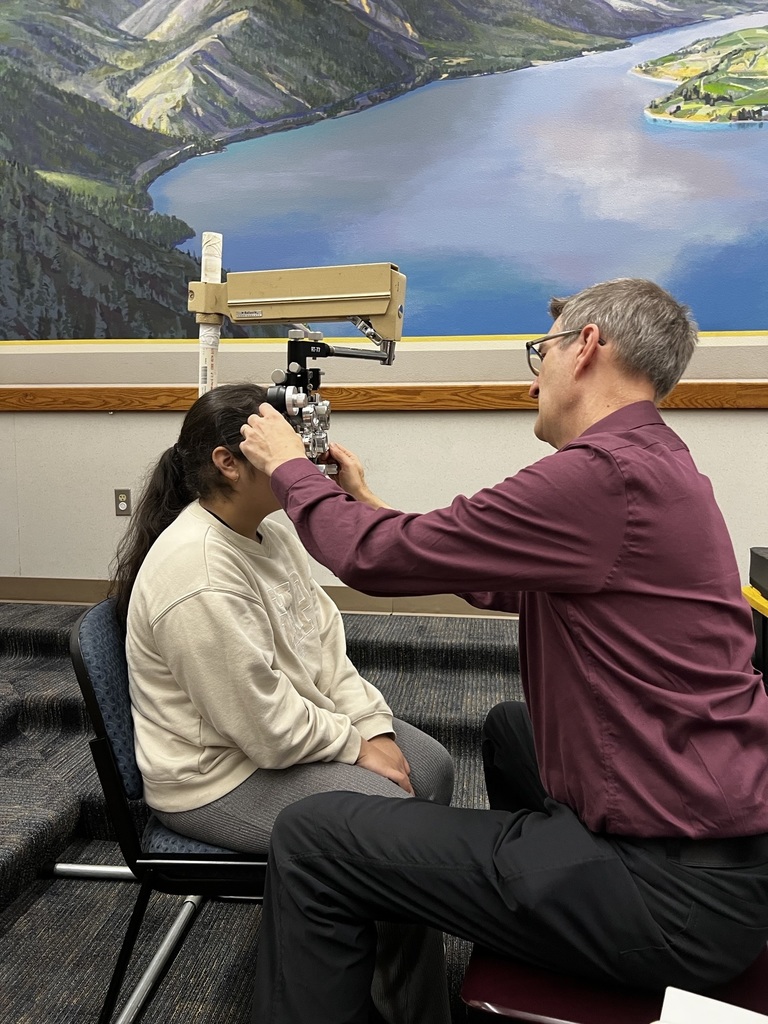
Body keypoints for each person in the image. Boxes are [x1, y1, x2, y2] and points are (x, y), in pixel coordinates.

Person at [239, 278, 768, 1024]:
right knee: (512, 727)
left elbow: (375, 562)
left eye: (540, 353)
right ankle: (532, 910)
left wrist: (289, 467)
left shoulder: (599, 475)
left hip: (671, 901)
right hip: (720, 857)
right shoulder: (657, 462)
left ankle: (553, 903)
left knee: (315, 836)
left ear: (586, 347)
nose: (533, 376)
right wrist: (365, 506)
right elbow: (493, 576)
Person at [110, 382, 454, 1024]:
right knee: (394, 822)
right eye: (285, 445)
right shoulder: (199, 573)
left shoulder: (272, 533)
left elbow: (326, 651)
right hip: (217, 779)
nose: (303, 457)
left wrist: (372, 727)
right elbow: (263, 728)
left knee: (429, 765)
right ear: (228, 462)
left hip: (277, 741)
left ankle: (400, 991)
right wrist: (353, 747)